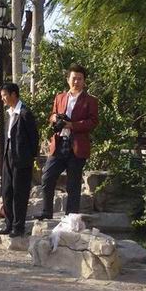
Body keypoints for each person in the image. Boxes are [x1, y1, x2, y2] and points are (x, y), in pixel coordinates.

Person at [36, 64, 99, 219]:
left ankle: (70, 217)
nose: (76, 82)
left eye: (80, 79)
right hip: (59, 143)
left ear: (84, 81)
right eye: (74, 78)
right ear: (68, 79)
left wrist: (72, 125)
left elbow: (93, 122)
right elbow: (52, 115)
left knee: (73, 184)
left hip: (77, 145)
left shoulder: (90, 100)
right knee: (47, 177)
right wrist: (55, 118)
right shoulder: (60, 97)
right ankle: (46, 212)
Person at [0, 83, 39, 237]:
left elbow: (34, 138)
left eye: (5, 95)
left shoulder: (25, 113)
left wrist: (29, 158)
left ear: (14, 94)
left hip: (22, 159)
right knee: (7, 191)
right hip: (8, 156)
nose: (3, 99)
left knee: (19, 193)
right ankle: (9, 223)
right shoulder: (9, 113)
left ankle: (18, 226)